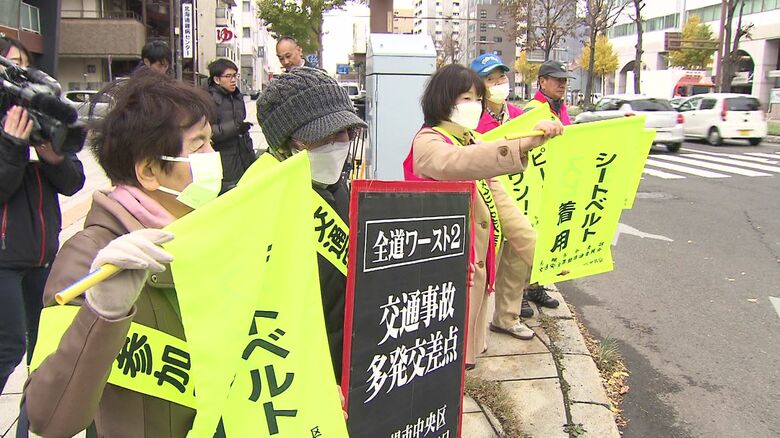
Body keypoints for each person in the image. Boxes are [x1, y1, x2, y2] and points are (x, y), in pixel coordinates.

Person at [22, 70, 220, 437]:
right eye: (199, 146)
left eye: (211, 141)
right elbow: (46, 416)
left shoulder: (205, 232)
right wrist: (103, 312)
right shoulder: (89, 255)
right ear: (149, 171)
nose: (214, 156)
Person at [403, 64, 563, 368]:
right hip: (441, 257)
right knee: (445, 336)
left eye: (478, 99)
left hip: (475, 255)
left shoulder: (470, 139)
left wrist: (545, 258)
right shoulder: (429, 141)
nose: (474, 106)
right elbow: (458, 163)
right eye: (466, 98)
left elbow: (504, 206)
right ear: (443, 99)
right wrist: (523, 144)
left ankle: (463, 363)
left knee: (469, 325)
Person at [256, 67, 366, 380]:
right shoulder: (262, 202)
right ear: (283, 145)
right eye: (323, 137)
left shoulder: (335, 184)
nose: (338, 144)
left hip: (348, 362)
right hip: (302, 375)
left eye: (345, 133)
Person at [0, 35, 86, 393]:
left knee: (45, 349)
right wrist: (12, 145)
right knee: (8, 348)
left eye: (24, 66)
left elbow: (74, 182)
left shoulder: (43, 116)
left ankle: (32, 416)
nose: (20, 76)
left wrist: (55, 158)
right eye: (10, 67)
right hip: (4, 261)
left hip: (43, 256)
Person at [471, 54, 560, 319]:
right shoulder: (474, 120)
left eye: (501, 77)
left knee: (516, 255)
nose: (499, 83)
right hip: (488, 193)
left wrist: (546, 129)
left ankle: (508, 316)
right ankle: (477, 321)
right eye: (490, 79)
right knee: (489, 253)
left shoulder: (520, 116)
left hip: (522, 193)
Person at [207, 58, 255, 192]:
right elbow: (207, 132)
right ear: (217, 79)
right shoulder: (208, 99)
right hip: (224, 159)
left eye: (235, 76)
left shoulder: (237, 96)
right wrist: (235, 128)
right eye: (228, 76)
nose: (233, 80)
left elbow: (240, 122)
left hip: (243, 153)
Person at [524, 60, 575, 125]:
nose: (562, 85)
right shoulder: (532, 110)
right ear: (542, 82)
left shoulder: (561, 109)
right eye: (558, 80)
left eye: (564, 80)